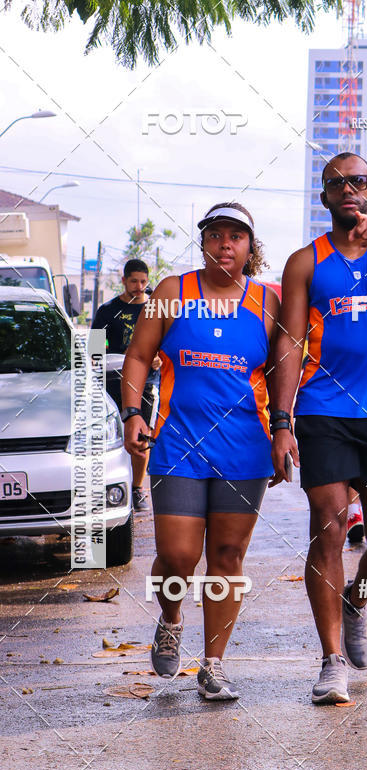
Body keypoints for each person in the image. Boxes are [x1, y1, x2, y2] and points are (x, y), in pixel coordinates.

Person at [269, 152, 367, 704]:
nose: (348, 189)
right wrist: (282, 422)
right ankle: (331, 660)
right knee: (330, 525)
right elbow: (288, 344)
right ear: (324, 198)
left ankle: (356, 600)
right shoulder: (305, 263)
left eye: (358, 181)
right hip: (323, 410)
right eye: (336, 183)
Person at [121, 202, 279, 699]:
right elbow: (139, 356)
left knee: (228, 556)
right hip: (178, 443)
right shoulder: (173, 291)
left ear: (250, 247)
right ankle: (170, 617)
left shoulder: (269, 303)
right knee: (178, 554)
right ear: (204, 242)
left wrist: (287, 432)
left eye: (236, 236)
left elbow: (285, 372)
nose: (225, 244)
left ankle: (214, 664)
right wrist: (132, 413)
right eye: (215, 235)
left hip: (245, 448)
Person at [91, 259, 160, 512]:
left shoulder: (156, 308)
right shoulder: (107, 311)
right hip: (111, 383)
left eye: (143, 281)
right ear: (123, 280)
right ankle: (112, 487)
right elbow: (94, 350)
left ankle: (137, 489)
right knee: (113, 437)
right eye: (134, 281)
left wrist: (160, 356)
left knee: (142, 437)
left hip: (147, 383)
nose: (139, 286)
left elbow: (170, 342)